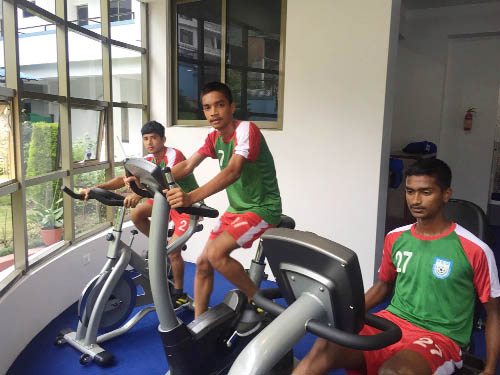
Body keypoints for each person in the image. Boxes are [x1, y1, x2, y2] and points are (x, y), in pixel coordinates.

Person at [293, 158, 500, 375]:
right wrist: (346, 318)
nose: (415, 200)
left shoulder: (475, 249)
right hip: (392, 322)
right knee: (325, 346)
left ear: (446, 194)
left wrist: (490, 368)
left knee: (395, 372)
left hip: (439, 335)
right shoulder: (396, 237)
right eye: (410, 191)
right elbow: (383, 286)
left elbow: (493, 313)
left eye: (426, 192)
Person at [165, 81, 282, 334]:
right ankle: (198, 326)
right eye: (207, 108)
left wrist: (190, 196)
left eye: (219, 105)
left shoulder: (245, 129)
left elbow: (232, 171)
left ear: (231, 106)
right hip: (236, 209)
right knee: (204, 262)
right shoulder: (213, 137)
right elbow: (186, 167)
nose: (213, 112)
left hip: (262, 208)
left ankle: (260, 304)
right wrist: (148, 178)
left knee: (216, 254)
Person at [80, 121, 200, 308]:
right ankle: (161, 245)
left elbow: (162, 181)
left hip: (186, 204)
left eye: (154, 138)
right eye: (146, 139)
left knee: (174, 252)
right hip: (165, 200)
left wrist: (137, 192)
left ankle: (179, 293)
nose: (150, 142)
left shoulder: (174, 155)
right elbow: (122, 179)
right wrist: (95, 188)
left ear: (163, 139)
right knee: (137, 214)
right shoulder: (148, 160)